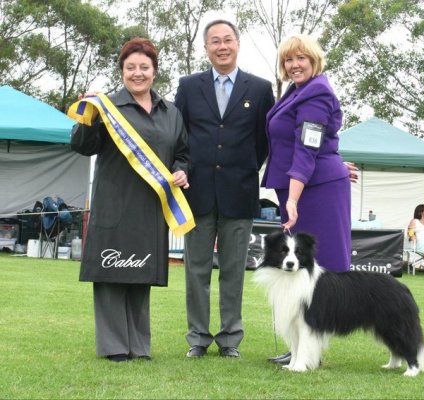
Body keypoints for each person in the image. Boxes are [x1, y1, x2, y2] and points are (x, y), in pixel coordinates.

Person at [70, 38, 190, 362]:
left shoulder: (171, 113)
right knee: (111, 275)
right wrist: (88, 115)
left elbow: (182, 153)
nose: (138, 73)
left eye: (144, 67)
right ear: (122, 71)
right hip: (115, 203)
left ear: (155, 71)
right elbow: (82, 146)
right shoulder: (106, 106)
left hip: (151, 207)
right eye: (130, 67)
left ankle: (138, 346)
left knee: (140, 276)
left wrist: (181, 171)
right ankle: (114, 347)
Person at [174, 20, 275, 359]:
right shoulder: (188, 86)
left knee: (233, 272)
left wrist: (244, 168)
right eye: (215, 41)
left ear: (237, 44)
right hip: (196, 193)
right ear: (206, 48)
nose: (222, 46)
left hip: (240, 193)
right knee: (196, 271)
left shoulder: (259, 89)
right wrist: (182, 169)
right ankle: (198, 338)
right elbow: (179, 135)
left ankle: (230, 339)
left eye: (227, 40)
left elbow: (264, 141)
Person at [260, 34, 352, 366]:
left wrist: (293, 200)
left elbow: (307, 147)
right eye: (288, 59)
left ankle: (309, 349)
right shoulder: (296, 90)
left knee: (319, 274)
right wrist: (333, 160)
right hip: (304, 185)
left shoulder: (316, 92)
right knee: (299, 275)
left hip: (313, 191)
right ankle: (301, 347)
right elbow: (318, 142)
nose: (294, 64)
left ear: (314, 60)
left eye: (301, 58)